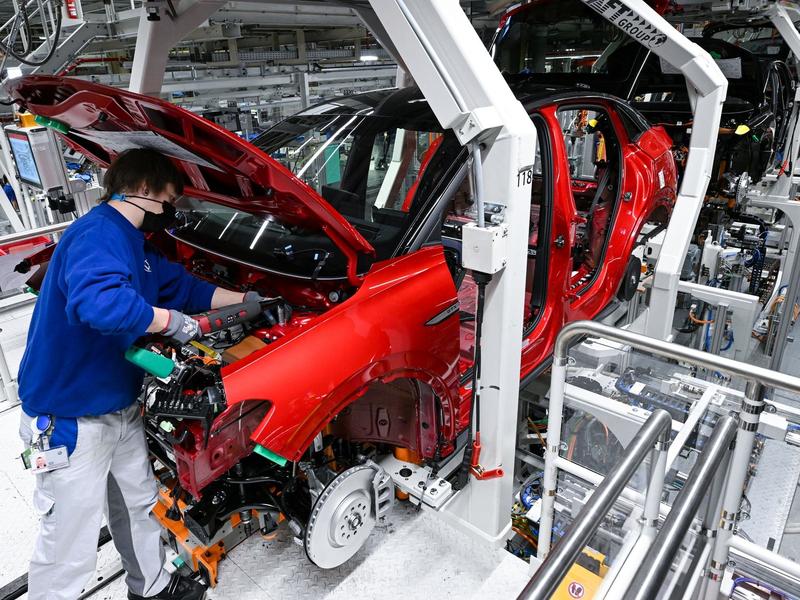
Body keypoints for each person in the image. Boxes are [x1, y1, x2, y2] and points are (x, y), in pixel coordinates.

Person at [17, 149, 262, 600]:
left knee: (137, 505)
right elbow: (101, 304)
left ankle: (150, 588)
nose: (170, 214)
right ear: (144, 190)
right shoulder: (96, 235)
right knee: (69, 541)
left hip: (119, 405)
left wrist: (245, 299)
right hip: (69, 417)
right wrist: (169, 322)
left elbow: (185, 287)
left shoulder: (137, 245)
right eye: (170, 201)